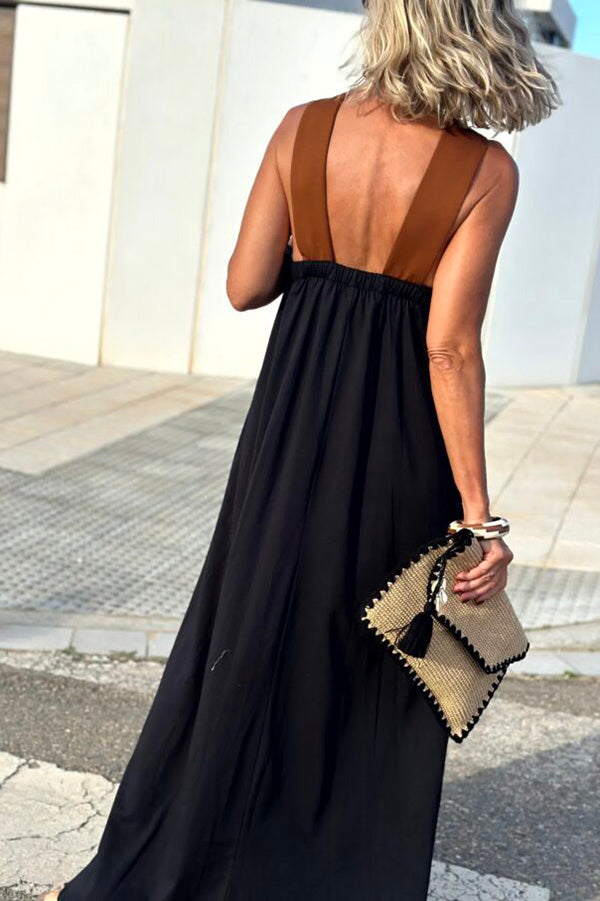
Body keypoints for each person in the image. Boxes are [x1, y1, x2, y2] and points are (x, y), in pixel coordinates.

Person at [40, 0, 560, 898]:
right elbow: (449, 348)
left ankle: (192, 856)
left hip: (286, 433)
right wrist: (481, 518)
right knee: (370, 664)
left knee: (248, 633)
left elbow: (245, 285)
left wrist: (321, 257)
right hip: (397, 447)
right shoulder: (485, 170)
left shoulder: (301, 129)